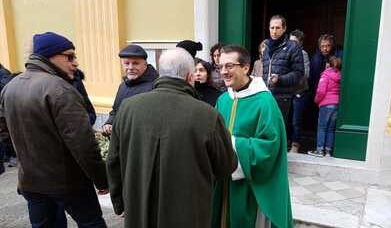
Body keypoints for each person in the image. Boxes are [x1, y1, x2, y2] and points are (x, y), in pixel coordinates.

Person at [106, 48, 237, 228]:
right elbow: (226, 166)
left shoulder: (128, 108)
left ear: (161, 73)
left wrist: (120, 202)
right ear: (190, 77)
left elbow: (113, 160)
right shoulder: (208, 115)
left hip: (139, 209)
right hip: (189, 213)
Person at [0, 32, 108, 227]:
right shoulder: (60, 89)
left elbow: (4, 132)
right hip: (68, 182)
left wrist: (28, 154)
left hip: (31, 182)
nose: (75, 63)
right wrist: (102, 180)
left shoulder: (11, 87)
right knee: (92, 224)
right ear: (50, 56)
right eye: (69, 56)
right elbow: (84, 145)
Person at [212, 45, 293, 228]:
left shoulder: (264, 102)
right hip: (223, 181)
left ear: (246, 68)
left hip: (248, 184)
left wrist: (230, 144)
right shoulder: (223, 99)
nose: (223, 72)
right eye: (220, 66)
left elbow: (271, 146)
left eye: (229, 66)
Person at [102, 44, 158, 136]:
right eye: (127, 63)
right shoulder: (123, 86)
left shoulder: (155, 87)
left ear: (145, 64)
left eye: (135, 63)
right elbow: (115, 111)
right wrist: (109, 123)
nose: (131, 67)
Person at [262, 15, 304, 129]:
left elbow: (299, 73)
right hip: (265, 95)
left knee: (278, 129)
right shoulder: (266, 48)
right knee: (265, 128)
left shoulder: (293, 47)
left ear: (284, 29)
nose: (274, 31)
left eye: (277, 28)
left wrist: (280, 79)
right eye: (272, 28)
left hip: (282, 97)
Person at [308, 56, 341, 157]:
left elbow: (321, 91)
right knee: (331, 128)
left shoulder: (325, 75)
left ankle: (319, 150)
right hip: (336, 104)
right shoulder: (340, 76)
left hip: (326, 105)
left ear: (328, 64)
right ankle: (328, 151)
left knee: (322, 127)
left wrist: (316, 100)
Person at [288, 30, 310, 153]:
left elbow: (305, 74)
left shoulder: (303, 54)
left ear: (300, 43)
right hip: (286, 92)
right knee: (285, 118)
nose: (291, 44)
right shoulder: (286, 52)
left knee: (296, 120)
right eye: (290, 41)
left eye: (294, 42)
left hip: (299, 92)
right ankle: (286, 142)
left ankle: (295, 144)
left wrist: (289, 77)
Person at [0, 63, 13, 174]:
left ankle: (10, 155)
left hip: (4, 109)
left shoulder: (4, 74)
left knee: (5, 132)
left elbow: (4, 88)